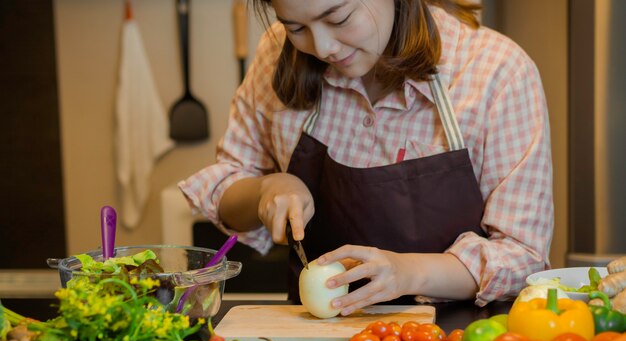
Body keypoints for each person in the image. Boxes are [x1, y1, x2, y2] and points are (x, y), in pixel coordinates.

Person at [179, 0, 554, 315]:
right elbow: (227, 192)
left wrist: (408, 272)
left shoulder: (496, 72)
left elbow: (523, 256)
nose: (322, 46)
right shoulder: (277, 55)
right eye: (296, 27)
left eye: (339, 18)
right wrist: (265, 189)